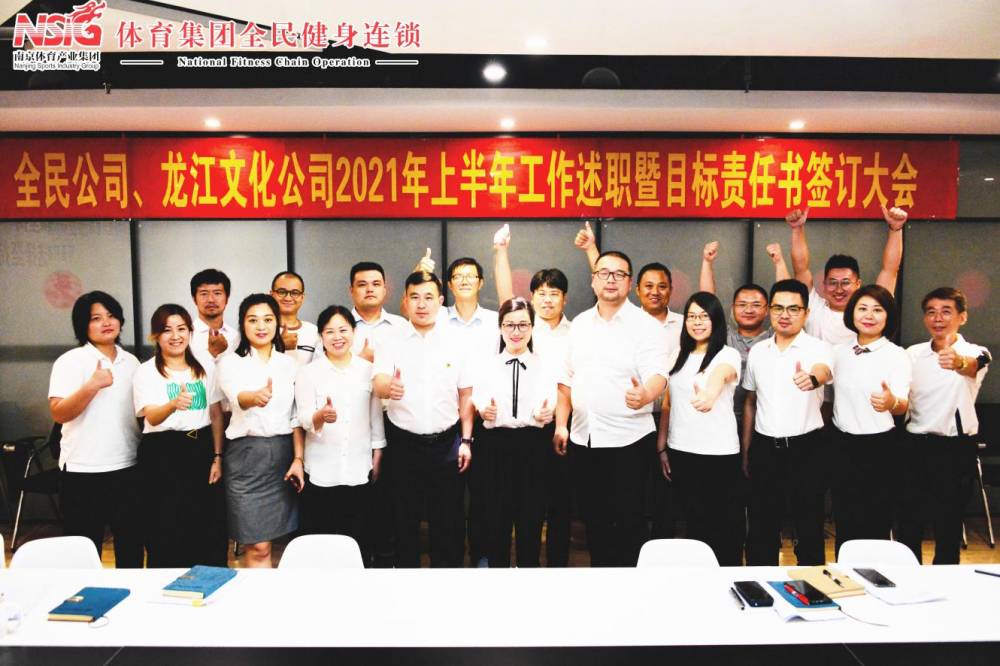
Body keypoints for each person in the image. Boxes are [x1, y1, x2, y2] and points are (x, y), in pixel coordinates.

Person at [554, 250, 670, 567]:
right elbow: (566, 379)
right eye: (604, 273)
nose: (611, 279)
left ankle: (631, 586)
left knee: (630, 522)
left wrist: (645, 394)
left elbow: (659, 374)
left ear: (630, 283)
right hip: (585, 439)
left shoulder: (646, 326)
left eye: (619, 274)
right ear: (593, 280)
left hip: (629, 441)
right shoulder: (579, 324)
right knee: (594, 521)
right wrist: (561, 424)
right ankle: (602, 580)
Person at [373, 271, 475, 567]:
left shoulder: (456, 341)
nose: (421, 304)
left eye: (429, 297)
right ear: (405, 301)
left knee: (449, 525)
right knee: (404, 524)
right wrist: (388, 387)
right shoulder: (391, 339)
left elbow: (466, 394)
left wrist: (466, 440)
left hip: (447, 443)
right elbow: (378, 380)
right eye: (415, 297)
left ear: (440, 301)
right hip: (403, 445)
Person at [493, 223, 573, 565]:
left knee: (558, 505)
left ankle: (554, 568)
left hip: (557, 426)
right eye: (540, 292)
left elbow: (566, 385)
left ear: (564, 298)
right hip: (521, 430)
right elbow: (504, 294)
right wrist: (501, 251)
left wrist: (561, 424)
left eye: (554, 293)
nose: (547, 299)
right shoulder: (523, 326)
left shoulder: (575, 332)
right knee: (520, 507)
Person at [741, 279, 834, 566]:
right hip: (764, 448)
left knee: (809, 526)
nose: (785, 314)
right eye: (778, 308)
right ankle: (758, 585)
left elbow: (823, 370)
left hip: (807, 449)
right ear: (770, 311)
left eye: (794, 309)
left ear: (806, 313)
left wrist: (812, 379)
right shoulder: (759, 351)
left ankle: (812, 587)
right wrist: (746, 450)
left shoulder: (818, 347)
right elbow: (750, 401)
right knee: (761, 528)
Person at [48, 291, 143, 566]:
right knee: (83, 551)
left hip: (127, 466)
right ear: (83, 326)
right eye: (96, 318)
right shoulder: (70, 361)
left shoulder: (132, 362)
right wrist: (91, 385)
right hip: (82, 471)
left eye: (111, 316)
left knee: (131, 547)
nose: (106, 322)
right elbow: (59, 412)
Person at [898, 287, 992, 564]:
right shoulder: (912, 354)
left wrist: (958, 361)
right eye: (931, 312)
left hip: (954, 448)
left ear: (962, 317)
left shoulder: (976, 352)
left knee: (948, 524)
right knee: (909, 522)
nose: (938, 318)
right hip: (915, 446)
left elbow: (973, 365)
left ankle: (945, 582)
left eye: (946, 311)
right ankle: (908, 579)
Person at [132, 303, 226, 567]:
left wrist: (217, 457)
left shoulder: (204, 367)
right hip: (161, 453)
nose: (175, 336)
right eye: (167, 330)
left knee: (206, 526)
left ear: (190, 332)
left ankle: (208, 583)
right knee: (165, 527)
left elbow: (216, 413)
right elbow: (151, 417)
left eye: (182, 329)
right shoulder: (146, 371)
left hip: (200, 448)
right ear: (155, 336)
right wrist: (173, 405)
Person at [656, 292, 743, 565]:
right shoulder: (677, 355)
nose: (697, 322)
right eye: (692, 316)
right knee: (693, 525)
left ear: (715, 320)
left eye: (704, 316)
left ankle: (726, 578)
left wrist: (709, 394)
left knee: (723, 526)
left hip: (719, 454)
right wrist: (662, 446)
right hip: (682, 450)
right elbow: (668, 402)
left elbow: (722, 374)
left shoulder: (727, 354)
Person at [295, 305, 385, 564]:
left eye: (343, 330)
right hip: (321, 471)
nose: (337, 337)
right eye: (330, 331)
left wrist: (378, 452)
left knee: (358, 544)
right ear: (321, 336)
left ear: (354, 332)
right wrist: (320, 416)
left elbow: (375, 415)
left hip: (358, 468)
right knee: (320, 547)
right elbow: (303, 418)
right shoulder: (308, 373)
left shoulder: (367, 370)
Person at [218, 293, 302, 568]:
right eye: (253, 320)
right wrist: (254, 397)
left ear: (278, 323)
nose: (261, 326)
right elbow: (237, 397)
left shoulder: (289, 364)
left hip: (283, 455)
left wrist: (298, 458)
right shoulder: (230, 362)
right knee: (257, 546)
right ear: (242, 324)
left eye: (268, 319)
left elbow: (295, 416)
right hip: (246, 457)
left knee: (281, 545)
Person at [472, 297, 557, 567]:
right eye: (510, 325)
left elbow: (551, 400)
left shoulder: (544, 364)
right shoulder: (487, 364)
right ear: (500, 327)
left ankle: (528, 572)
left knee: (531, 518)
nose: (516, 331)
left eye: (523, 325)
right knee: (496, 518)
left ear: (532, 327)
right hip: (496, 446)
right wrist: (484, 410)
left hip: (533, 445)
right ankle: (498, 573)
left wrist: (547, 414)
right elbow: (478, 398)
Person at [830, 285, 910, 553]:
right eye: (862, 308)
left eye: (878, 310)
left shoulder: (897, 355)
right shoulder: (838, 352)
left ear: (889, 316)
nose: (869, 315)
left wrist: (891, 402)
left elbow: (902, 405)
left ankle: (875, 575)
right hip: (842, 446)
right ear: (852, 313)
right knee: (844, 520)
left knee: (875, 521)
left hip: (879, 449)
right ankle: (844, 574)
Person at [787, 205, 906, 347]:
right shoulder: (813, 306)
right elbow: (801, 269)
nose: (839, 289)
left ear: (858, 284)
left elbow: (890, 270)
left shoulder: (868, 311)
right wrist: (797, 229)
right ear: (824, 284)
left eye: (845, 282)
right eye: (833, 282)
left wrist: (896, 229)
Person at [699, 240, 790, 424]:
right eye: (742, 305)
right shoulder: (724, 336)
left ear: (767, 310)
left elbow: (787, 299)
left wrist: (779, 262)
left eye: (756, 305)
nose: (748, 310)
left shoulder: (776, 337)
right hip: (723, 419)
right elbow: (706, 303)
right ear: (733, 308)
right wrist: (707, 263)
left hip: (765, 421)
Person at [348, 261, 408, 362]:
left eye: (376, 284)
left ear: (384, 290)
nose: (370, 289)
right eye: (362, 285)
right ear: (351, 291)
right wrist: (358, 361)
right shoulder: (337, 328)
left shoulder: (401, 325)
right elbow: (323, 368)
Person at [189, 268, 240, 365]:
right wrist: (212, 353)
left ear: (227, 298)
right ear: (194, 299)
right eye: (204, 294)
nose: (211, 300)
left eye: (217, 293)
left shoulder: (235, 336)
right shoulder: (186, 335)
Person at [271, 270, 320, 365]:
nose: (288, 298)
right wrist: (279, 346)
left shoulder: (314, 331)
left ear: (302, 297)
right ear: (272, 294)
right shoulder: (262, 330)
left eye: (295, 293)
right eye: (282, 292)